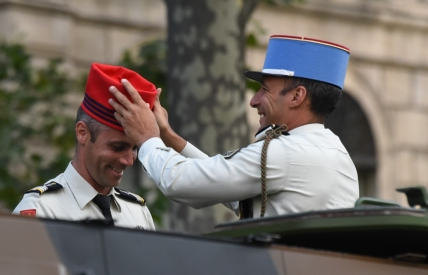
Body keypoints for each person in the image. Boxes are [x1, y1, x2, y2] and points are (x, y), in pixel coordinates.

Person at [108, 35, 359, 219]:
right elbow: (230, 190)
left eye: (264, 90)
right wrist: (169, 137)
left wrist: (147, 138)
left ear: (296, 96)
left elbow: (182, 183)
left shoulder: (285, 154)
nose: (254, 101)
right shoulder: (336, 153)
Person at [13, 63, 156, 230]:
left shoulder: (138, 212)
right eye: (117, 146)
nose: (129, 161)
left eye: (134, 148)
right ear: (82, 133)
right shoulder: (42, 210)